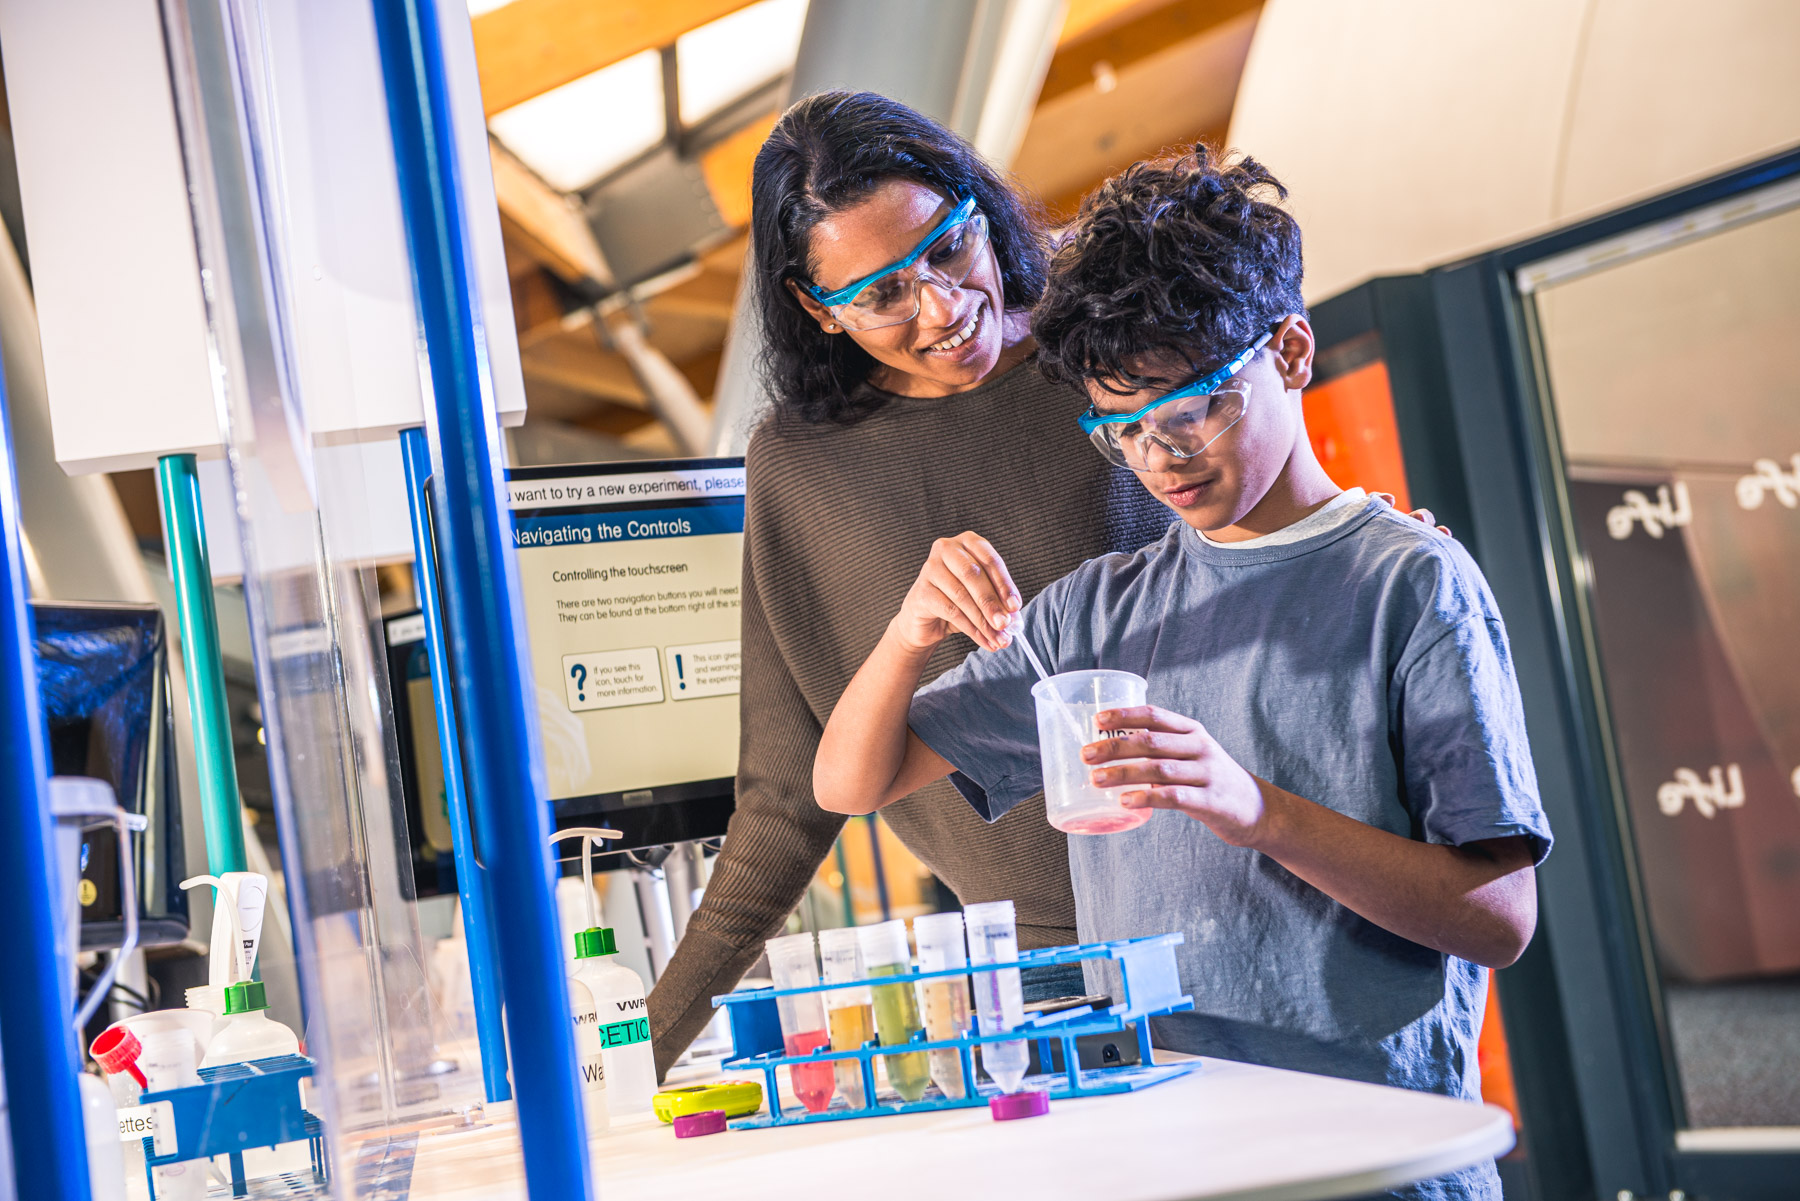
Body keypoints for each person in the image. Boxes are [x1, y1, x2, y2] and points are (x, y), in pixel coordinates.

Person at [813, 145, 1551, 1201]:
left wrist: (1257, 810)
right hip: (1163, 1156)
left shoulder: (1409, 582)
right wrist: (905, 629)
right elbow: (851, 780)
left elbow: (1500, 918)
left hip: (1372, 1163)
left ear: (1290, 351)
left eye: (1192, 406)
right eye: (1120, 429)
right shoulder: (1095, 611)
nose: (1161, 457)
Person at [643, 91, 1175, 1077]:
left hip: (1244, 897)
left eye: (946, 247)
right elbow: (786, 798)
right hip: (1040, 985)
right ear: (816, 309)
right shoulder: (802, 468)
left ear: (979, 206)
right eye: (882, 293)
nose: (940, 306)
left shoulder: (1113, 357)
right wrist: (636, 1061)